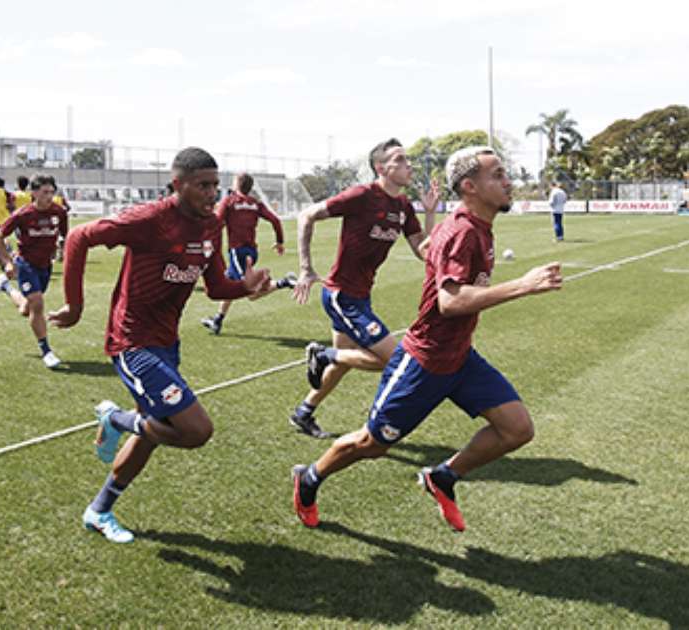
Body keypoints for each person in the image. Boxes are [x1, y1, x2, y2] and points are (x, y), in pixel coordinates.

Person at [291, 146, 562, 532]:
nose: (508, 181)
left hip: (460, 359)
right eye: (497, 174)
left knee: (517, 429)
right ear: (469, 186)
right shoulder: (462, 231)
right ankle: (310, 477)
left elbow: (427, 250)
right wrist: (523, 285)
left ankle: (443, 477)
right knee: (371, 444)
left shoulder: (477, 226)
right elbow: (451, 302)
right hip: (423, 362)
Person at [49, 147, 272, 544]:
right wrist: (75, 305)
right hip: (131, 342)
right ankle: (116, 419)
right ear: (178, 185)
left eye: (215, 186)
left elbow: (216, 286)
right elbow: (81, 237)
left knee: (153, 432)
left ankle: (98, 510)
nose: (211, 194)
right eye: (202, 186)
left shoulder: (210, 227)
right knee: (194, 430)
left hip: (167, 343)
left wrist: (246, 287)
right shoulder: (152, 219)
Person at [289, 138, 439, 438]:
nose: (408, 165)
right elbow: (306, 215)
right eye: (400, 159)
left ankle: (304, 412)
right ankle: (323, 355)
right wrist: (306, 268)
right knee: (393, 359)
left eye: (408, 159)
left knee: (345, 361)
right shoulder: (362, 195)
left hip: (361, 295)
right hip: (342, 296)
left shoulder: (403, 206)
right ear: (381, 168)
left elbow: (425, 252)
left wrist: (430, 213)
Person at [201, 172, 296, 335]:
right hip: (250, 251)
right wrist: (279, 241)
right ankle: (217, 320)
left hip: (238, 253)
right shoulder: (255, 203)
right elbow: (275, 220)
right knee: (227, 283)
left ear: (236, 184)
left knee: (248, 292)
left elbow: (216, 223)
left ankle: (283, 282)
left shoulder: (229, 201)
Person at [0, 173, 69, 368]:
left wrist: (63, 249)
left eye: (52, 192)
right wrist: (8, 262)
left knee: (27, 309)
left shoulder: (59, 212)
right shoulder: (23, 214)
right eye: (45, 192)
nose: (49, 196)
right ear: (34, 193)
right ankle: (46, 351)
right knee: (37, 302)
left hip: (46, 265)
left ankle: (6, 287)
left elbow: (66, 235)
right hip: (26, 264)